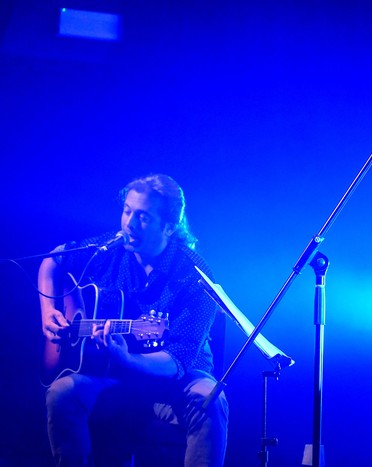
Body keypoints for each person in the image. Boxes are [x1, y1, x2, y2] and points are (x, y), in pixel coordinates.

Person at [39, 174, 229, 466]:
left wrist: (127, 359)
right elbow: (53, 260)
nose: (128, 223)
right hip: (113, 373)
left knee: (209, 400)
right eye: (127, 210)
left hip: (175, 379)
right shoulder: (109, 249)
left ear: (169, 227)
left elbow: (176, 361)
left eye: (142, 217)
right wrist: (49, 310)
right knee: (62, 393)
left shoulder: (195, 276)